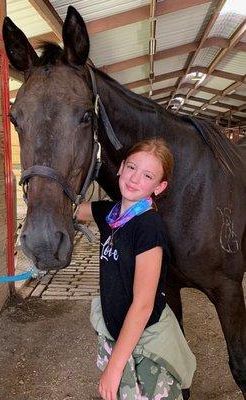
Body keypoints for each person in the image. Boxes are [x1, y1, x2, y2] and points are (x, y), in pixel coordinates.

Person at [77, 138, 196, 400]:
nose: (134, 179)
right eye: (131, 168)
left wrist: (114, 367)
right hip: (117, 332)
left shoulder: (147, 226)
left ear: (159, 186)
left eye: (147, 175)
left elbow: (143, 304)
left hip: (143, 342)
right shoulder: (111, 214)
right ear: (120, 168)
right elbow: (75, 211)